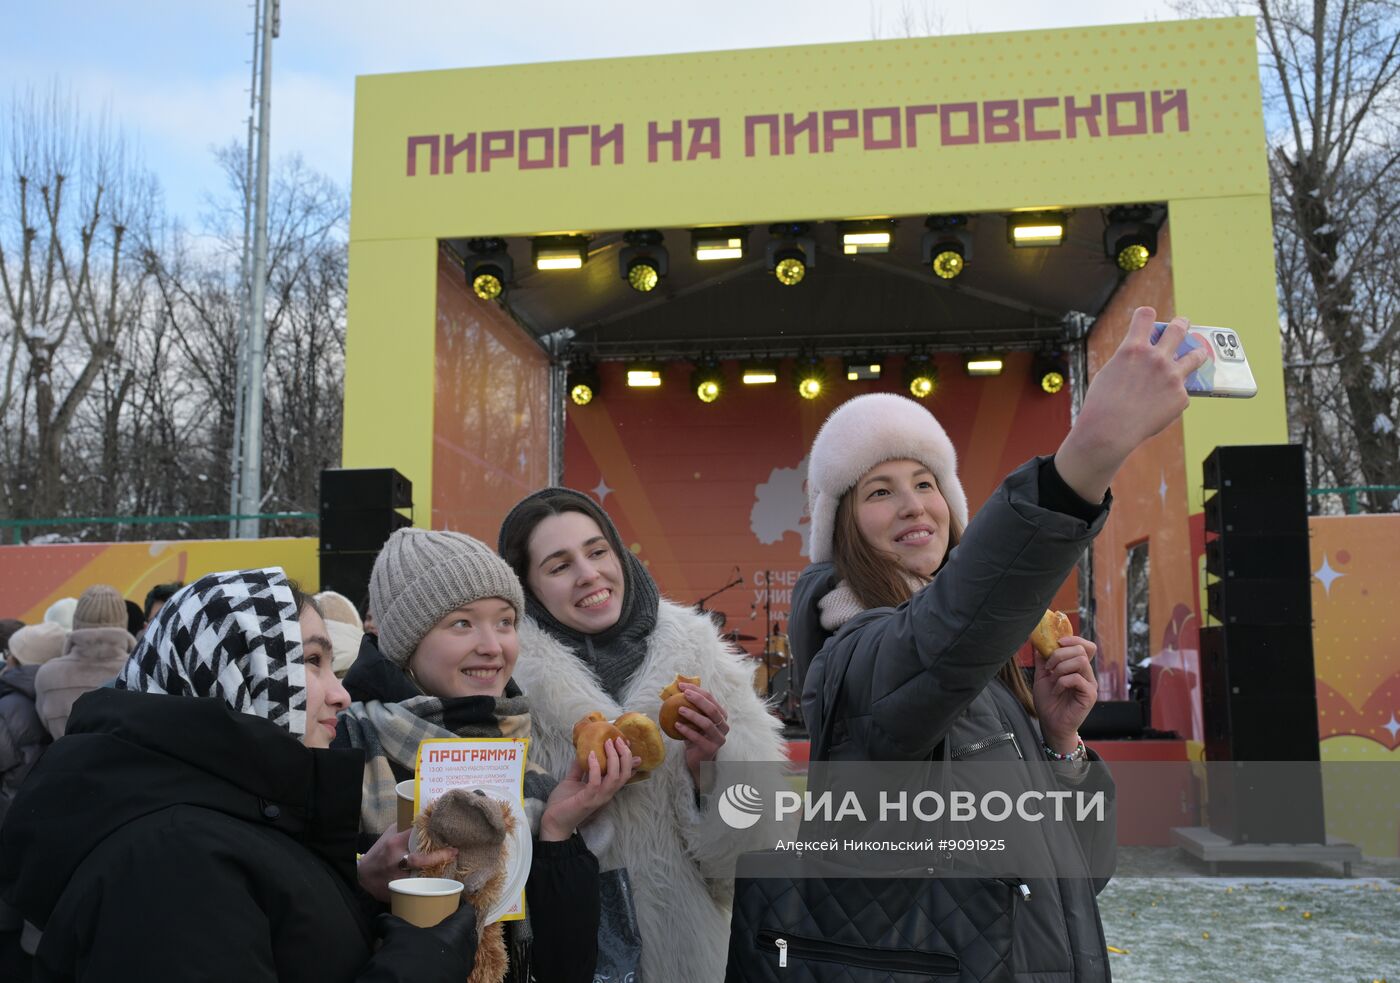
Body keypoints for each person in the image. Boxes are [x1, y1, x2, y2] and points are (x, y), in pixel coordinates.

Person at [789, 308, 1209, 982]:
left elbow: (1081, 873)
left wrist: (1060, 744)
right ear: (841, 527)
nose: (912, 504)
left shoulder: (989, 676)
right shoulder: (854, 659)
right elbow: (936, 634)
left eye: (926, 483)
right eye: (878, 490)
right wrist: (1090, 450)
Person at [0, 569, 479, 982]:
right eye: (312, 662)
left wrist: (356, 886)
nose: (341, 694)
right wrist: (418, 968)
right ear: (230, 673)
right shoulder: (172, 863)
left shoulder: (227, 810)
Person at [498, 488, 787, 983]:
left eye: (597, 551)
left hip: (692, 958)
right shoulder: (507, 684)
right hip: (568, 960)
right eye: (559, 565)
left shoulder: (701, 659)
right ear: (528, 588)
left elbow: (748, 864)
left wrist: (710, 772)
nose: (589, 574)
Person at [336, 529, 611, 983]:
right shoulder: (341, 752)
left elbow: (568, 968)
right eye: (462, 623)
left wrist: (558, 835)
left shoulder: (528, 766)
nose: (493, 646)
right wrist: (363, 881)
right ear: (407, 640)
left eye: (505, 622)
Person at [35, 584, 136, 738]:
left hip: (65, 760)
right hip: (128, 762)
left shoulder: (48, 675)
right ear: (124, 622)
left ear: (77, 622)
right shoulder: (139, 671)